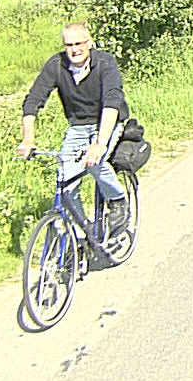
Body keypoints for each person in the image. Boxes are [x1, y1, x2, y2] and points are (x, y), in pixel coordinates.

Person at [18, 22, 132, 245]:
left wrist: (100, 143)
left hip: (107, 121)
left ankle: (118, 200)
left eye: (79, 43)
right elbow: (32, 101)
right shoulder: (56, 65)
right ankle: (80, 237)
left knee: (94, 161)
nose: (74, 50)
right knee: (65, 181)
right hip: (78, 126)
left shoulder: (104, 63)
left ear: (89, 43)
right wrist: (28, 139)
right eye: (68, 45)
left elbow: (112, 101)